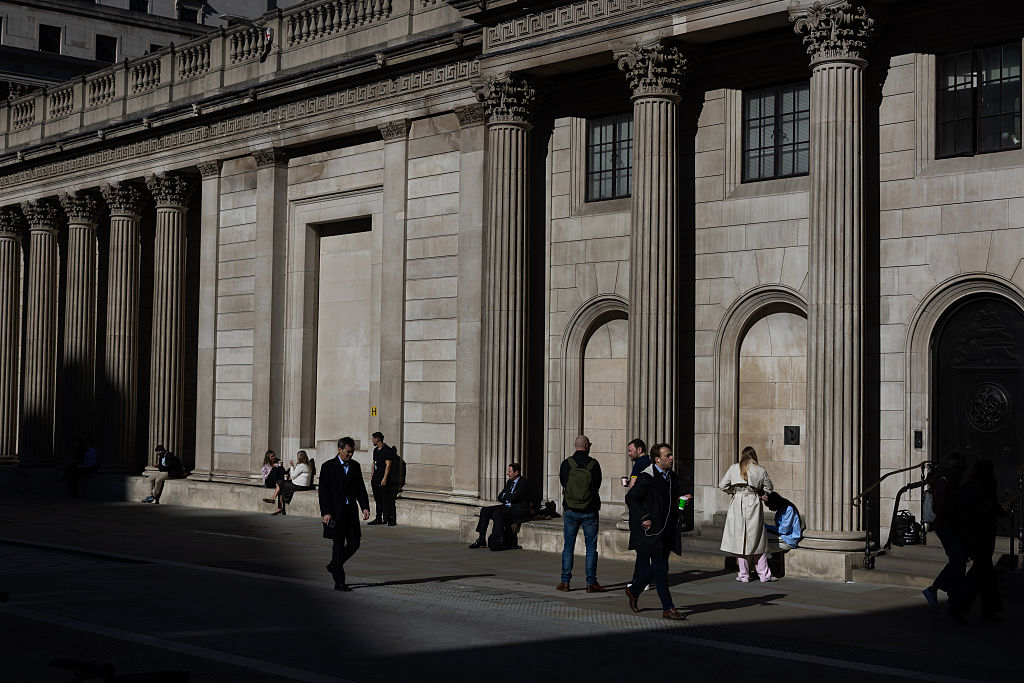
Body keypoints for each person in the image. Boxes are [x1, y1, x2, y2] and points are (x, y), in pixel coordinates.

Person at [624, 443, 690, 620]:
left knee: (659, 568)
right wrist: (644, 516)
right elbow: (631, 498)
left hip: (668, 529)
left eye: (671, 455)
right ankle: (668, 607)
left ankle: (634, 590)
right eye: (667, 455)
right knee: (660, 568)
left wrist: (681, 503)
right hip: (654, 530)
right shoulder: (648, 477)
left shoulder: (672, 477)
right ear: (657, 459)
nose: (671, 458)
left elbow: (671, 502)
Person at [319, 436, 370, 591]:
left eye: (352, 452)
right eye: (347, 452)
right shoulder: (328, 467)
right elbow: (323, 492)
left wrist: (365, 507)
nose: (350, 455)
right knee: (338, 545)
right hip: (335, 513)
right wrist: (326, 512)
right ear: (339, 449)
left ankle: (334, 564)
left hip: (350, 512)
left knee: (355, 542)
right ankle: (339, 582)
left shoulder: (355, 466)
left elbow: (360, 488)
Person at [719, 446, 776, 582]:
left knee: (740, 539)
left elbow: (722, 485)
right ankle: (764, 574)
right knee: (757, 538)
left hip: (738, 502)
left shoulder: (734, 468)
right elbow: (769, 488)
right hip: (753, 501)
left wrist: (734, 492)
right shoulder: (760, 470)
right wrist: (760, 492)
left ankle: (743, 574)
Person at [556, 435, 605, 593]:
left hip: (570, 510)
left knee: (568, 547)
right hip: (589, 511)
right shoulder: (594, 464)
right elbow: (597, 485)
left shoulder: (566, 464)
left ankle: (565, 582)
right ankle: (591, 583)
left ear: (575, 445)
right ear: (587, 445)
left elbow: (564, 483)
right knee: (590, 548)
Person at [922, 452, 967, 616]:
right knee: (958, 560)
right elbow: (940, 508)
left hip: (951, 526)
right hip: (946, 527)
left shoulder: (948, 483)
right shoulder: (942, 483)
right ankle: (934, 590)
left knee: (958, 562)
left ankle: (951, 597)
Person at [958, 459, 1002, 622]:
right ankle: (961, 606)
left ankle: (988, 610)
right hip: (981, 537)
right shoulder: (979, 490)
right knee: (980, 574)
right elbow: (979, 515)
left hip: (979, 537)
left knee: (985, 574)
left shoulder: (971, 489)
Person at [468, 463, 530, 549]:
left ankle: (499, 540)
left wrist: (508, 496)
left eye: (509, 471)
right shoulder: (509, 482)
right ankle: (481, 538)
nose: (507, 473)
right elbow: (500, 496)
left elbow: (514, 498)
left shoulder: (523, 483)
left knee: (497, 513)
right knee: (485, 510)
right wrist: (509, 495)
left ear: (516, 472)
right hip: (507, 506)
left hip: (517, 510)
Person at [263, 450, 316, 515]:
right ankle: (277, 504)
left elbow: (293, 476)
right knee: (281, 484)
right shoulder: (308, 465)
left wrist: (292, 466)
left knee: (280, 484)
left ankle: (275, 501)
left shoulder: (301, 466)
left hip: (298, 485)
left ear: (299, 458)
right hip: (304, 486)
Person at [368, 432, 398, 526]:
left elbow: (388, 465)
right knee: (378, 499)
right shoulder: (376, 450)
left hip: (383, 479)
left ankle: (390, 519)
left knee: (386, 500)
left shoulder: (387, 450)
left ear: (378, 439)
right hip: (375, 479)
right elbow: (373, 463)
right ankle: (378, 518)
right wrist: (372, 474)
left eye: (373, 438)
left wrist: (384, 478)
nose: (372, 440)